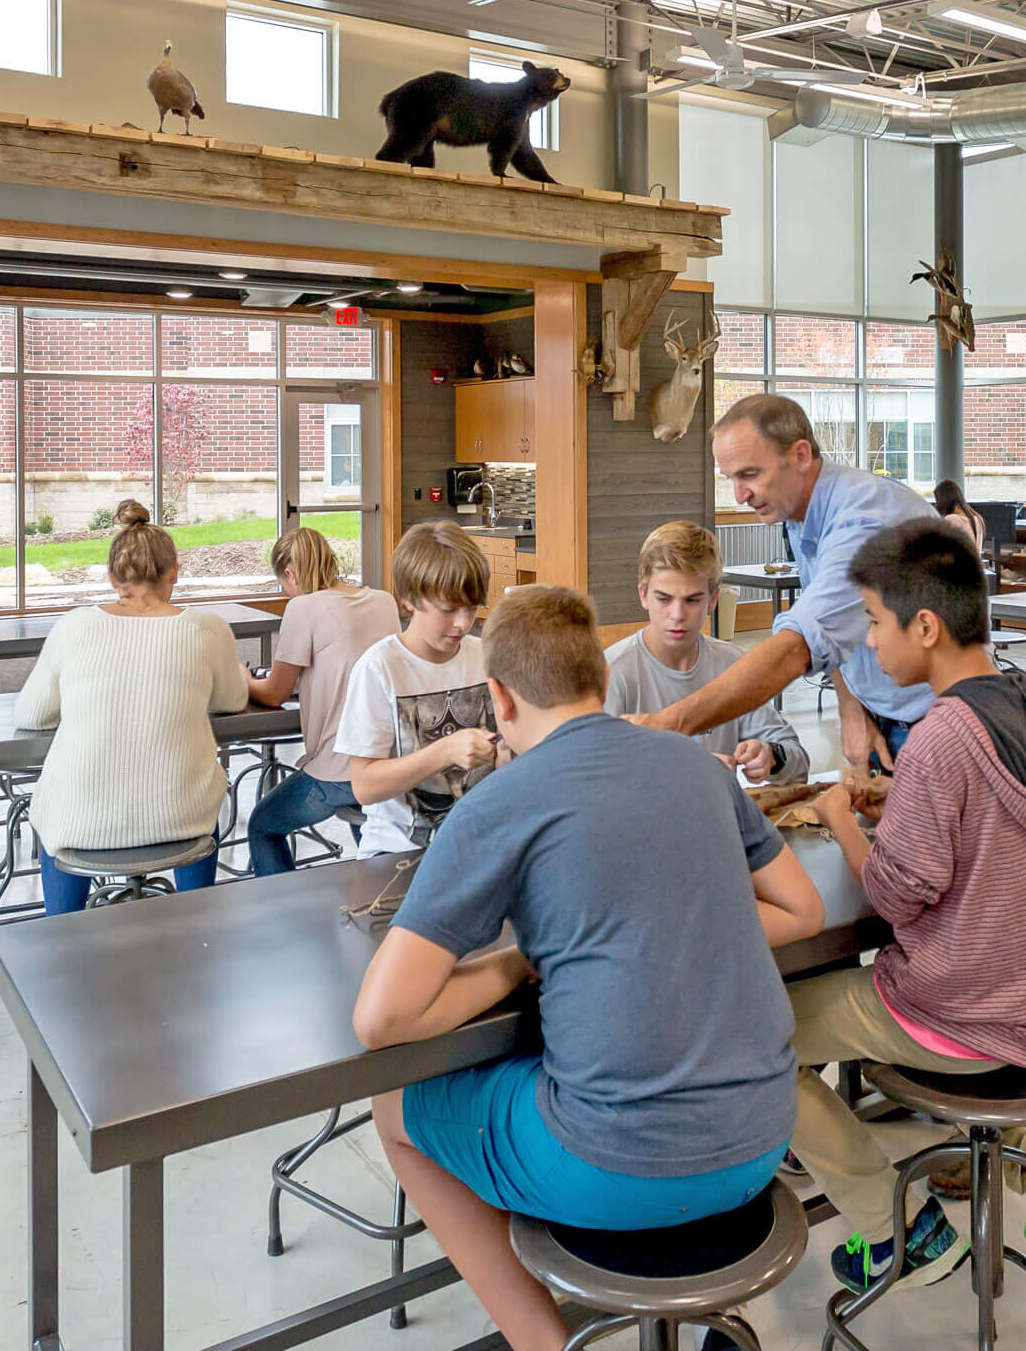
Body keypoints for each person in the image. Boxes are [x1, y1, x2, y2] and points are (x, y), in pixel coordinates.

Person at [353, 585, 827, 1351]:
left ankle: (541, 1338)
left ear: (499, 699)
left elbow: (383, 1020)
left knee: (393, 1109)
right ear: (602, 681)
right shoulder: (698, 767)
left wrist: (513, 964)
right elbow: (802, 913)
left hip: (616, 1167)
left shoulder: (497, 806)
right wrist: (676, 934)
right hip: (766, 1137)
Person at [799, 520, 1026, 1293]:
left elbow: (898, 897)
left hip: (961, 1014)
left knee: (749, 1041)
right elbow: (988, 826)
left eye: (875, 622)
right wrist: (900, 795)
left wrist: (841, 818)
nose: (870, 644)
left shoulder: (941, 738)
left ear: (926, 626)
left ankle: (892, 1228)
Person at [633, 394, 937, 778]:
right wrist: (851, 704)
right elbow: (836, 631)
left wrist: (670, 724)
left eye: (749, 475)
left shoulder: (861, 523)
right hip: (881, 716)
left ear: (800, 455)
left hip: (933, 721)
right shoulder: (800, 515)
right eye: (730, 479)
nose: (740, 496)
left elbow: (799, 646)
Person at [13, 501, 248, 911]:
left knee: (58, 813)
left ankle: (59, 932)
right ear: (175, 571)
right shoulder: (209, 629)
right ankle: (200, 929)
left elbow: (31, 714)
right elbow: (232, 700)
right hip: (182, 819)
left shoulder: (74, 627)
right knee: (202, 797)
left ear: (110, 577)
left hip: (80, 824)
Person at [333, 520, 500, 855]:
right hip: (398, 852)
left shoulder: (485, 656)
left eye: (472, 607)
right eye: (449, 609)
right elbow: (364, 786)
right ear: (409, 599)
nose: (463, 623)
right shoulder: (379, 668)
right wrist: (446, 752)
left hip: (477, 847)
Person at [242, 527, 401, 876]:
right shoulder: (382, 600)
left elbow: (274, 693)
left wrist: (245, 679)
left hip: (336, 775)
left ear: (290, 573)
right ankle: (381, 888)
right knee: (369, 816)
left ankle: (280, 916)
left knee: (263, 826)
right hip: (388, 768)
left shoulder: (303, 607)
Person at [603, 521, 810, 784]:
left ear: (713, 598)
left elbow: (799, 762)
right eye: (664, 599)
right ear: (643, 595)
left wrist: (771, 756)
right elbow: (595, 781)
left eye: (692, 600)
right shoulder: (611, 673)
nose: (677, 615)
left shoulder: (732, 664)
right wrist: (692, 770)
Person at [931, 478, 988, 559]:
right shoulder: (978, 519)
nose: (937, 505)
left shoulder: (951, 520)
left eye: (937, 501)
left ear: (944, 500)